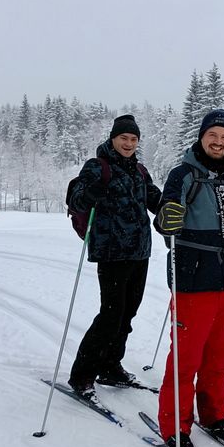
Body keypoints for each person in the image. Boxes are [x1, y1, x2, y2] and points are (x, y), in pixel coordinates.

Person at [154, 109, 224, 447]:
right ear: (201, 136)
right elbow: (165, 217)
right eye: (213, 135)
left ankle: (214, 415)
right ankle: (175, 425)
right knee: (186, 358)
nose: (218, 141)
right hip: (193, 279)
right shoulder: (183, 175)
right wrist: (167, 219)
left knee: (218, 357)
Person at [66, 114, 162, 399]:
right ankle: (82, 375)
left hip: (139, 251)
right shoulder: (98, 167)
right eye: (124, 138)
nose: (129, 144)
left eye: (134, 139)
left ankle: (110, 366)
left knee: (127, 313)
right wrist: (92, 191)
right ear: (113, 138)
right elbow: (77, 200)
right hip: (111, 252)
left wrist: (171, 208)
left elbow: (153, 199)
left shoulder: (140, 171)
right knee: (110, 315)